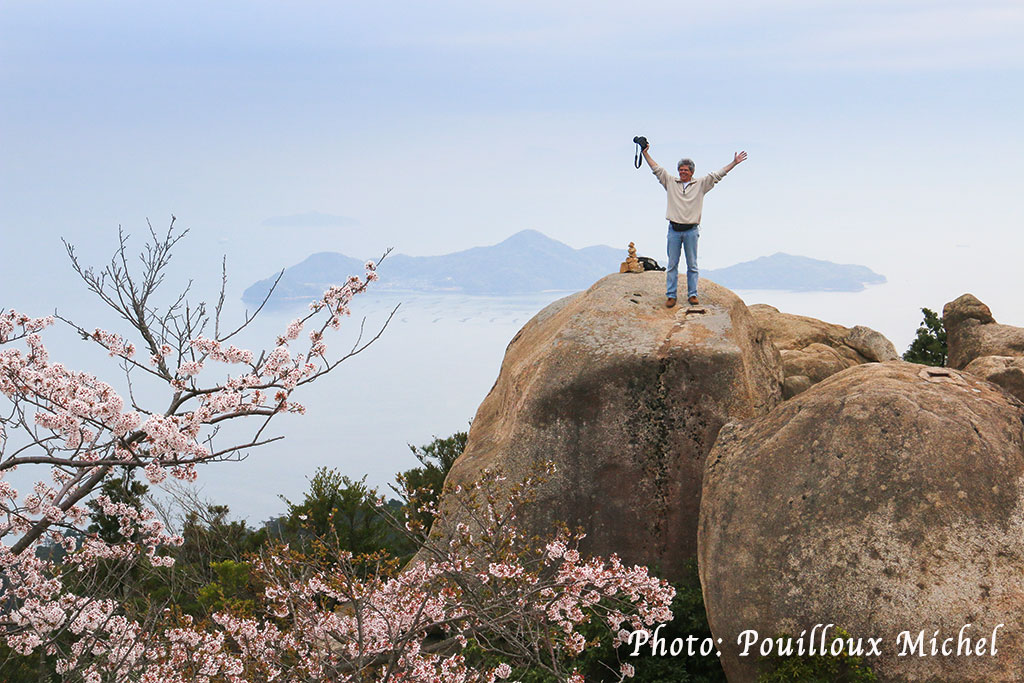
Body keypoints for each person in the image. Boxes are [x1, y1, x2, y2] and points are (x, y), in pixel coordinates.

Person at [641, 144, 747, 308]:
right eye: (681, 170)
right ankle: (671, 295)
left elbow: (718, 175)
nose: (683, 172)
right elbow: (657, 169)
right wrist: (645, 153)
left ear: (692, 172)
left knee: (692, 265)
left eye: (686, 170)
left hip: (691, 230)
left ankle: (692, 295)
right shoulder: (670, 182)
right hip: (674, 230)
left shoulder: (700, 184)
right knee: (672, 265)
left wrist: (734, 163)